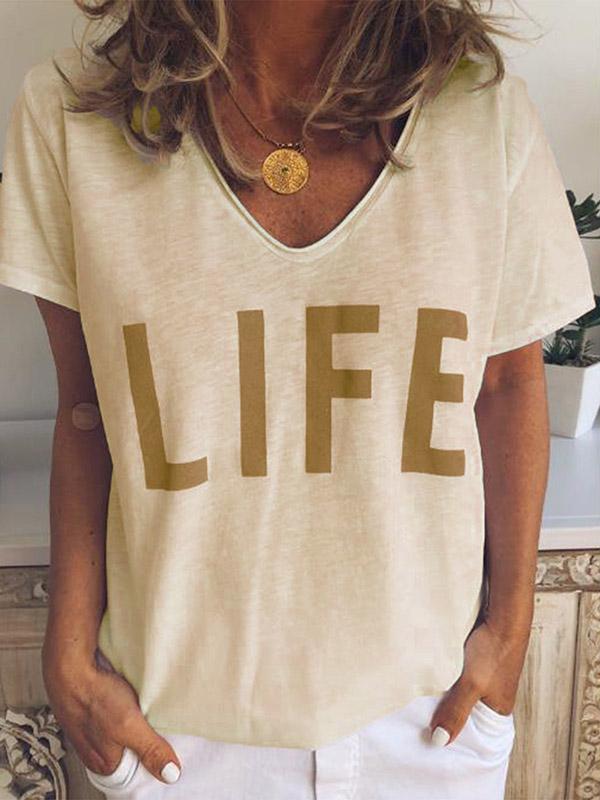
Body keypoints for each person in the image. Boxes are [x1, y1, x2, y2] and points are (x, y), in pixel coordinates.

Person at [0, 1, 595, 798]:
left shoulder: (481, 113)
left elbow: (506, 382)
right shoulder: (72, 117)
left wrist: (510, 631)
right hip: (170, 731)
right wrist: (70, 656)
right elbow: (89, 406)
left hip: (430, 723)